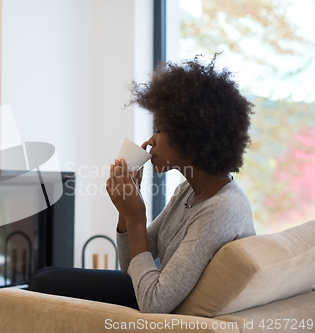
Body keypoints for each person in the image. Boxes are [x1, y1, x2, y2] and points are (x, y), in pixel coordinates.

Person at [30, 54, 256, 314]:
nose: (150, 140)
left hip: (165, 308)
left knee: (44, 280)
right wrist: (126, 213)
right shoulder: (189, 191)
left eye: (159, 130)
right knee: (45, 277)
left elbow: (154, 302)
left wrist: (136, 218)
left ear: (190, 138)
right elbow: (130, 268)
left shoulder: (221, 209)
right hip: (152, 292)